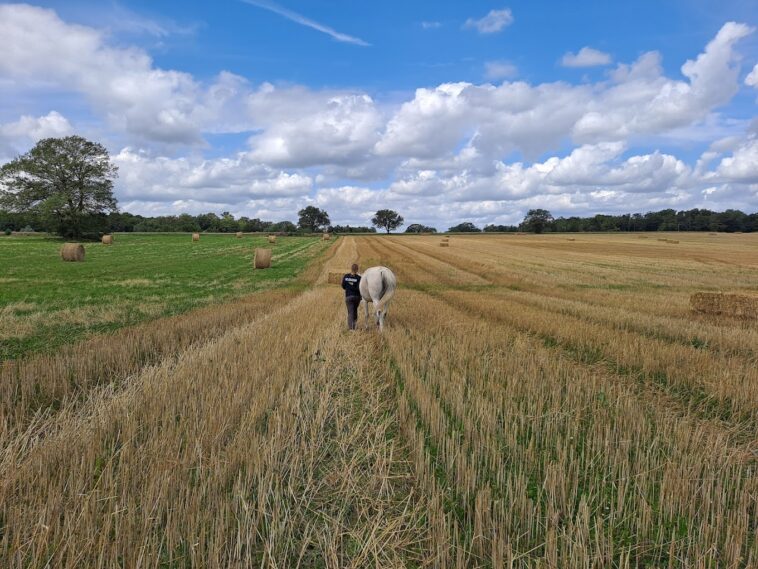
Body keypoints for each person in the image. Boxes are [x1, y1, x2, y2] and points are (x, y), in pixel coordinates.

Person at [342, 263, 361, 330]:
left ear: (351, 269)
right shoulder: (359, 278)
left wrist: (348, 288)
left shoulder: (346, 276)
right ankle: (354, 324)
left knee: (350, 312)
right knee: (355, 310)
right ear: (357, 270)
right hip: (356, 297)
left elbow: (343, 286)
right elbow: (360, 288)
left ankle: (351, 329)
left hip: (348, 297)